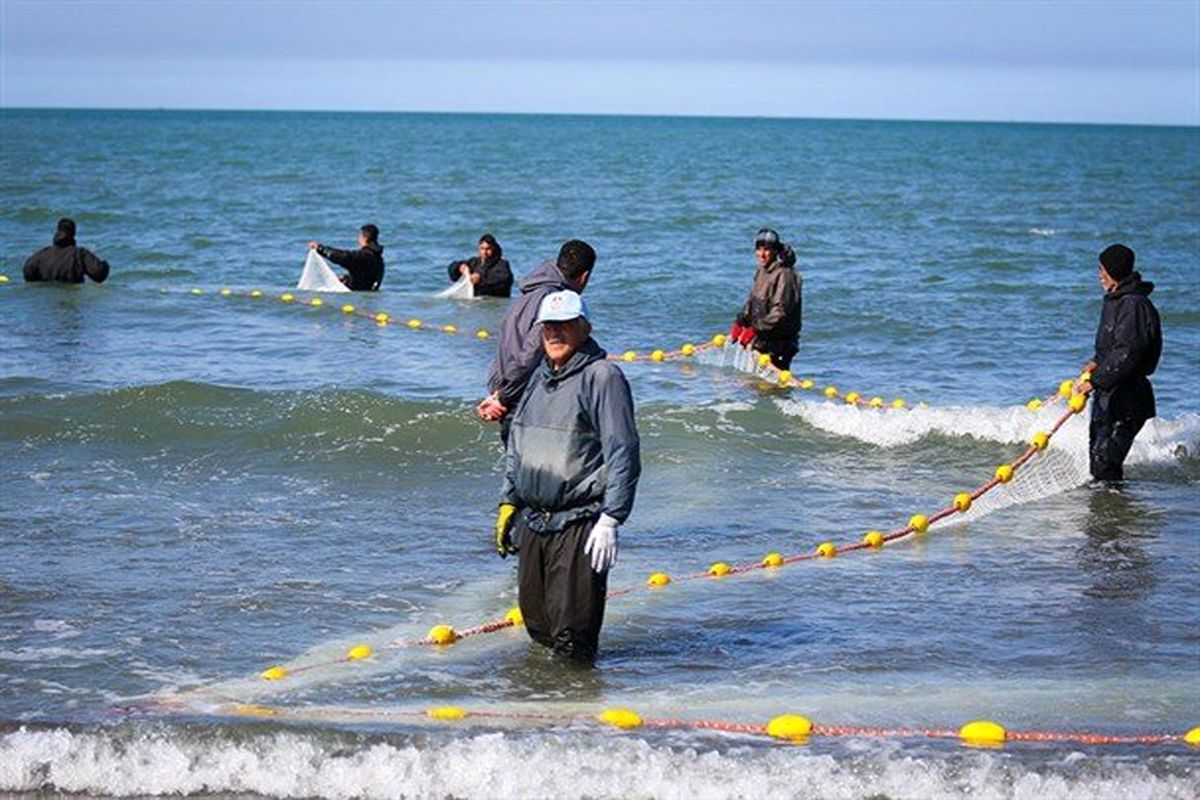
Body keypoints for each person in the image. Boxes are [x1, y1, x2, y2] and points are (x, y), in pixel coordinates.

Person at [493, 290, 641, 663]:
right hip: (535, 521)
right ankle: (546, 713)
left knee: (572, 636)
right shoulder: (538, 379)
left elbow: (623, 449)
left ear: (585, 327)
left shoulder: (602, 377)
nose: (555, 334)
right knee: (538, 625)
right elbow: (518, 444)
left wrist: (611, 518)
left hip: (579, 523)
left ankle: (578, 714)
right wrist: (509, 501)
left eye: (566, 325)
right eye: (549, 327)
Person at [477, 239, 596, 442]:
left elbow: (503, 350)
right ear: (584, 277)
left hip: (506, 394)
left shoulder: (525, 297)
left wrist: (497, 393)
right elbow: (531, 354)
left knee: (516, 471)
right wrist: (503, 397)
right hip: (525, 403)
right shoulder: (556, 303)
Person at [1076, 244, 1161, 482]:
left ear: (1113, 271)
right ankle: (1109, 511)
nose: (1099, 274)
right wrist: (1095, 362)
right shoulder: (1116, 300)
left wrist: (1095, 381)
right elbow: (1112, 348)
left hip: (1128, 398)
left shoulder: (1134, 304)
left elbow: (1129, 352)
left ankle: (1114, 513)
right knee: (1099, 461)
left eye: (1102, 269)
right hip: (1110, 393)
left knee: (1106, 462)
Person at [729, 228, 802, 370]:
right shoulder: (762, 271)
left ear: (775, 251)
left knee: (774, 387)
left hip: (780, 344)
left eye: (767, 250)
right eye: (759, 249)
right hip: (763, 339)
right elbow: (753, 300)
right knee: (757, 386)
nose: (761, 255)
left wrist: (755, 330)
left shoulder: (785, 275)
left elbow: (780, 312)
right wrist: (741, 321)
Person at [23, 218, 110, 284]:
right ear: (73, 233)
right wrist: (105, 264)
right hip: (71, 296)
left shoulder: (40, 255)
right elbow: (99, 275)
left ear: (57, 231)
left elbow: (28, 273)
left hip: (48, 301)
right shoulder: (80, 254)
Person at [307, 224, 384, 291]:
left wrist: (320, 248)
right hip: (371, 300)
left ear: (364, 238)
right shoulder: (379, 259)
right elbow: (365, 276)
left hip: (357, 300)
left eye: (359, 236)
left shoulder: (363, 256)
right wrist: (347, 279)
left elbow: (343, 257)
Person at [446, 233, 513, 298]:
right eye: (482, 248)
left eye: (488, 249)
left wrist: (480, 279)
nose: (484, 252)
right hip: (477, 304)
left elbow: (502, 281)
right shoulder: (474, 262)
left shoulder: (502, 264)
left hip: (495, 304)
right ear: (478, 248)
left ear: (494, 249)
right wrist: (459, 267)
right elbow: (452, 272)